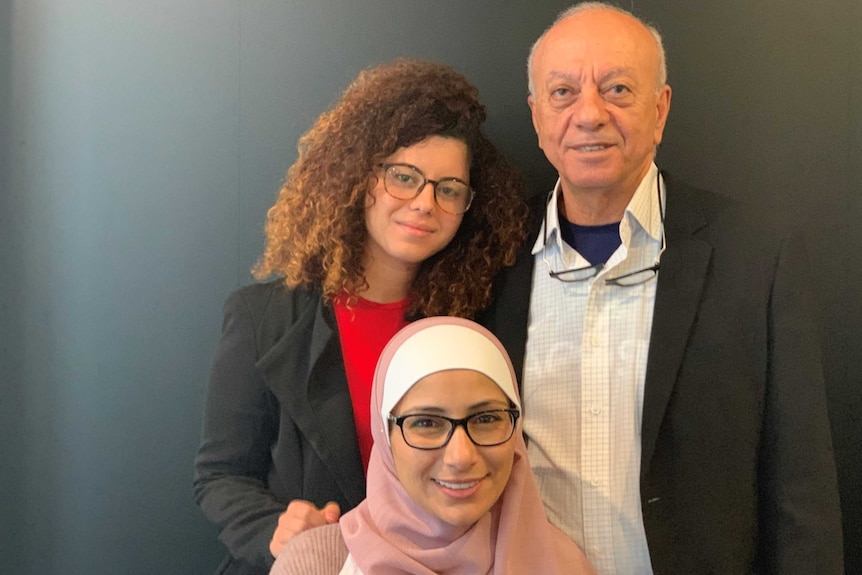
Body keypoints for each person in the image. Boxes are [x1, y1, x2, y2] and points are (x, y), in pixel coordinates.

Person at [480, 3, 844, 574]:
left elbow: (801, 489)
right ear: (536, 116)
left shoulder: (753, 256)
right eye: (562, 93)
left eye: (618, 89)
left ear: (660, 109)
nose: (589, 114)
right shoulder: (489, 261)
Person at [193, 58, 526, 575]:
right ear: (358, 176)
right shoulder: (263, 318)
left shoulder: (472, 326)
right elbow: (219, 475)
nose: (424, 203)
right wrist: (274, 528)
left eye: (449, 188)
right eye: (403, 176)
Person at [269, 317, 596, 575]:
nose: (461, 457)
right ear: (385, 438)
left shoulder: (563, 565)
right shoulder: (318, 564)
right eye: (426, 423)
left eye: (485, 419)